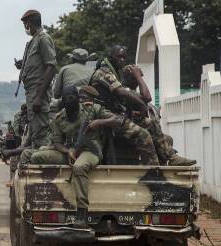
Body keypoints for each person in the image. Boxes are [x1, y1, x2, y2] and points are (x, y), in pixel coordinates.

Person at [30, 86, 121, 227]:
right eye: (66, 99)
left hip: (90, 151)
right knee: (36, 157)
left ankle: (82, 213)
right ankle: (46, 195)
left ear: (78, 98)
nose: (69, 101)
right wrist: (67, 152)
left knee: (79, 167)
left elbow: (116, 120)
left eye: (72, 98)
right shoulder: (59, 118)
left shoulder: (93, 109)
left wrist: (99, 122)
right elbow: (57, 143)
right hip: (70, 152)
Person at [88, 45, 160, 165]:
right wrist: (142, 105)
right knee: (143, 134)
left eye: (123, 57)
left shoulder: (116, 75)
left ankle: (169, 157)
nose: (121, 60)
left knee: (150, 123)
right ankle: (153, 170)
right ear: (111, 57)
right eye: (119, 57)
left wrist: (133, 111)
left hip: (116, 115)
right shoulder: (104, 72)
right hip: (105, 117)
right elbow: (121, 92)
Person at [122, 65, 196, 165]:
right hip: (123, 129)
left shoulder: (130, 91)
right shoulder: (124, 90)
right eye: (137, 78)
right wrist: (139, 77)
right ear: (131, 78)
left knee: (168, 139)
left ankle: (164, 164)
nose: (138, 81)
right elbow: (147, 97)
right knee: (150, 123)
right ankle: (171, 158)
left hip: (131, 126)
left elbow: (144, 101)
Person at [15, 10, 56, 149]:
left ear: (31, 24)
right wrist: (23, 65)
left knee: (40, 132)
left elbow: (51, 66)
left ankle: (43, 162)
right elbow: (37, 63)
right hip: (32, 92)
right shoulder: (34, 41)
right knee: (34, 130)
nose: (26, 28)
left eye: (26, 24)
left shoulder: (43, 39)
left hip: (38, 92)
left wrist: (39, 96)